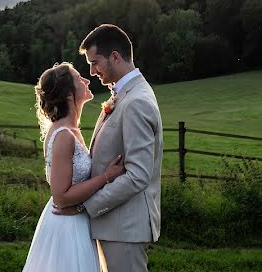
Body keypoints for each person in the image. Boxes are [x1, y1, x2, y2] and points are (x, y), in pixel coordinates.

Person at [56, 24, 163, 272]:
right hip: (115, 224)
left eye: (95, 63)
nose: (92, 71)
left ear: (115, 56)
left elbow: (138, 176)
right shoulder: (126, 94)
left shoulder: (136, 102)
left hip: (125, 228)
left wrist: (87, 206)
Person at [22, 62, 127, 272]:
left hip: (77, 220)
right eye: (80, 78)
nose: (87, 80)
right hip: (67, 227)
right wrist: (106, 176)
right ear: (69, 94)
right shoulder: (63, 136)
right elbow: (61, 197)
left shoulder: (70, 130)